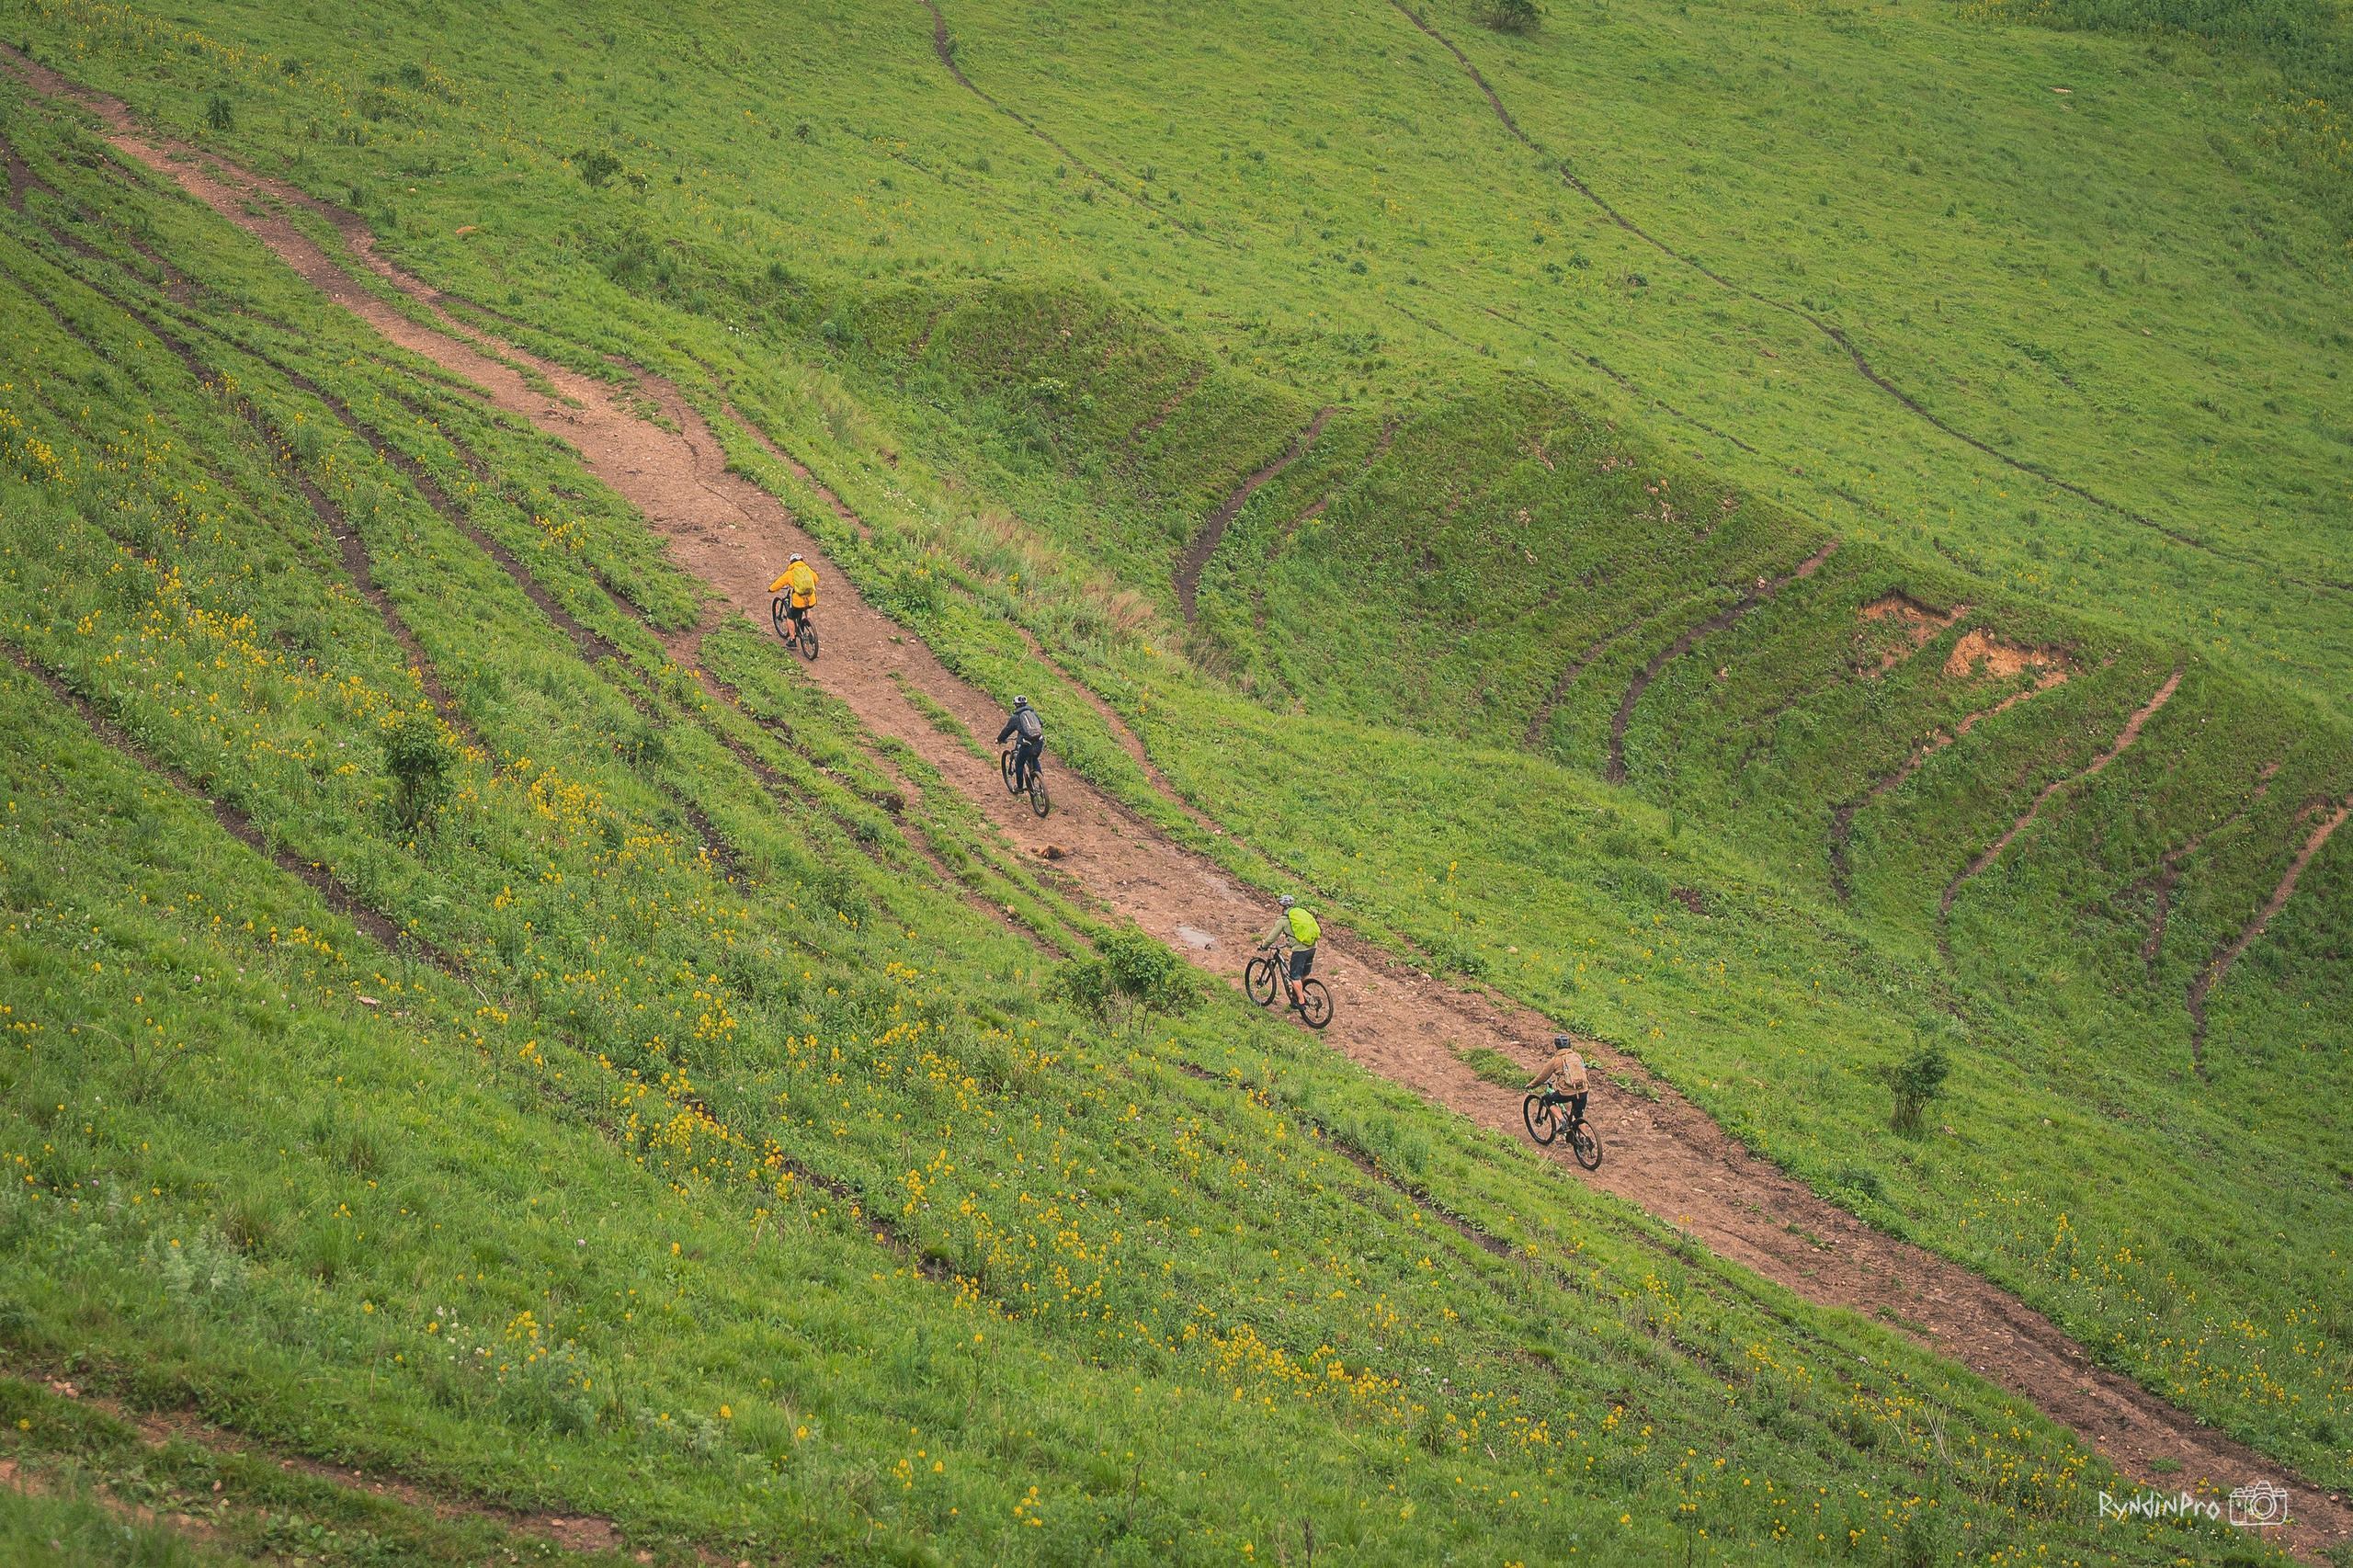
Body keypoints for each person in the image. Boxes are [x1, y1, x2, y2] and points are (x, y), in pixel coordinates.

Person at [1257, 894, 1321, 1009]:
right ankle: (1303, 995)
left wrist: (1263, 946)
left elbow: (1272, 937)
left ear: (1282, 907)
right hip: (1313, 947)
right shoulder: (1300, 913)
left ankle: (1300, 1003)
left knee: (1295, 977)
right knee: (1304, 975)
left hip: (1301, 950)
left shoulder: (1283, 920)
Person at [1524, 1034, 1589, 1129]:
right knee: (1578, 1116)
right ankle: (1584, 1139)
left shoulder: (1555, 1060)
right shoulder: (1578, 1056)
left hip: (1567, 1093)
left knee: (1547, 1099)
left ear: (1556, 1046)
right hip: (1583, 1091)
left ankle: (1562, 1121)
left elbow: (1542, 1077)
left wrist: (1531, 1085)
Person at [996, 695, 1044, 790]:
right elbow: (1041, 724)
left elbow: (1007, 730)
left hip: (1027, 744)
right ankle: (1041, 784)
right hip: (1039, 741)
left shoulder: (1016, 717)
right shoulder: (1032, 713)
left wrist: (999, 739)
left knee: (1019, 763)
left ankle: (1019, 787)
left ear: (1016, 705)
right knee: (1034, 758)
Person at [768, 554, 818, 642]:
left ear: (791, 562)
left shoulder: (790, 573)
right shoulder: (808, 570)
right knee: (806, 606)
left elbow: (779, 583)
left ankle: (792, 639)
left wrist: (771, 589)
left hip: (798, 602)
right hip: (811, 600)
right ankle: (807, 621)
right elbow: (816, 579)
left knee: (790, 616)